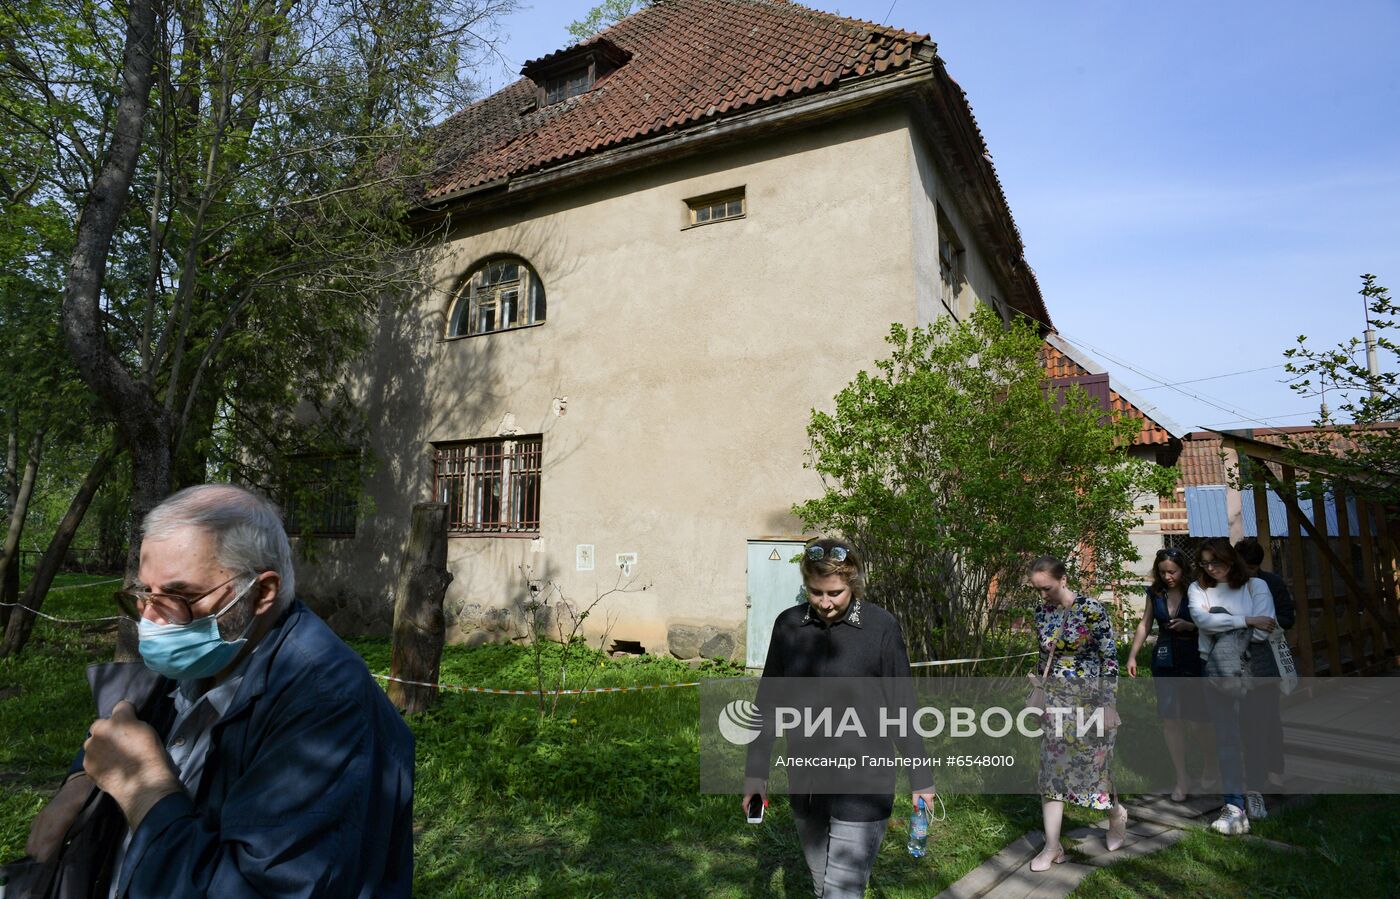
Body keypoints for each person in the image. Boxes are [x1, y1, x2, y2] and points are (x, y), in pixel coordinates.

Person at [22, 484, 415, 896]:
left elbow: (259, 889)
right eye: (144, 593)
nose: (153, 620)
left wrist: (144, 790)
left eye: (181, 595)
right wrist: (82, 781)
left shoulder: (327, 707)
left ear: (262, 593)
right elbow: (124, 731)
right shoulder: (206, 652)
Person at [743, 538, 936, 899]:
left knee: (840, 893)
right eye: (816, 593)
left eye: (835, 593)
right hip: (807, 784)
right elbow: (766, 703)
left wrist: (920, 779)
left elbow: (902, 708)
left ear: (854, 583)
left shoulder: (881, 628)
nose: (825, 603)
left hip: (863, 786)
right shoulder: (788, 626)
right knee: (824, 887)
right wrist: (756, 772)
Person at [1027, 555, 1126, 872]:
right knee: (1051, 774)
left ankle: (1116, 814)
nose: (1043, 595)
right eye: (1038, 589)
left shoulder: (1092, 609)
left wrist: (1109, 703)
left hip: (1092, 703)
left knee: (1095, 773)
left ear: (1064, 579)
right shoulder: (1042, 611)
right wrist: (1038, 695)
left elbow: (1109, 658)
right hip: (1056, 704)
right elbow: (1044, 657)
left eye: (1048, 588)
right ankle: (1052, 846)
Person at [1188, 537, 1276, 836]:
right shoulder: (1198, 588)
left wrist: (1222, 623)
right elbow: (1201, 621)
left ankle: (1254, 791)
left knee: (1255, 733)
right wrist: (1247, 621)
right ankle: (1233, 805)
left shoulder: (1256, 586)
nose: (1211, 568)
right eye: (1205, 563)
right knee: (1225, 737)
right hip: (1215, 670)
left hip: (1253, 668)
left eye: (1217, 561)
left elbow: (1266, 630)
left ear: (1231, 559)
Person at [1126, 547, 1213, 801]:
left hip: (1194, 658)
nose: (1167, 577)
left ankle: (1211, 763)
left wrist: (1192, 626)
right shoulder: (1155, 592)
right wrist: (1132, 654)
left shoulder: (1197, 589)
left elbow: (1213, 621)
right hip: (1164, 660)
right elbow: (1145, 623)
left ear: (1182, 570)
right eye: (1162, 572)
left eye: (1172, 571)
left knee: (1198, 722)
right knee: (1170, 719)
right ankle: (1182, 777)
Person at [1234, 537, 1293, 818]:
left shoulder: (1271, 584)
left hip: (1267, 660)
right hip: (1240, 664)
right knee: (1249, 723)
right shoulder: (1231, 586)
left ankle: (1275, 772)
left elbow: (1287, 618)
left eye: (1250, 568)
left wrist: (1264, 625)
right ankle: (1255, 778)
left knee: (1270, 718)